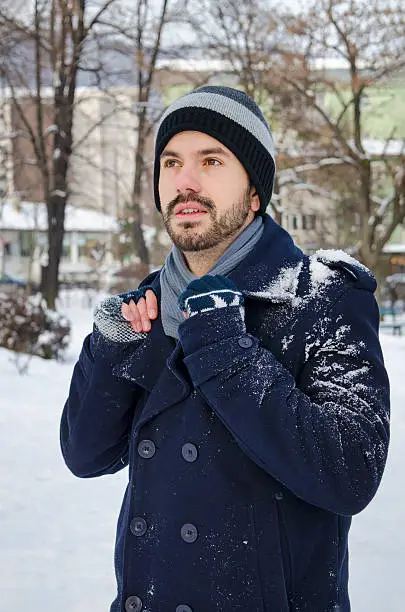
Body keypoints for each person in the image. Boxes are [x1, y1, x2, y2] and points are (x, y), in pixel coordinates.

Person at [60, 86, 390, 612]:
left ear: (254, 192)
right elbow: (85, 455)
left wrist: (224, 346)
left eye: (211, 161)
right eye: (171, 163)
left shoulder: (321, 296)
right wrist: (109, 350)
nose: (185, 182)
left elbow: (351, 472)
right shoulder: (148, 306)